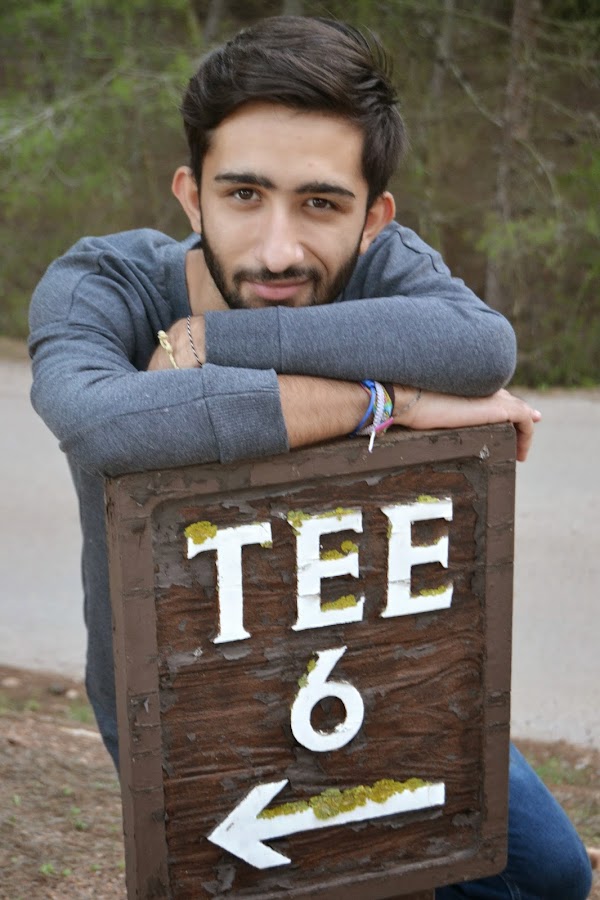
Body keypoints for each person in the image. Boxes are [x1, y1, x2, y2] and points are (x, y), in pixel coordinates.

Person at [28, 16, 592, 900]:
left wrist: (211, 341)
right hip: (186, 696)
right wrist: (388, 401)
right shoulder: (100, 283)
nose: (279, 250)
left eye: (321, 203)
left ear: (374, 219)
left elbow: (483, 348)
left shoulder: (385, 266)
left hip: (388, 675)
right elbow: (103, 425)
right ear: (192, 196)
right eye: (244, 195)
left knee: (548, 877)